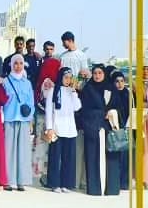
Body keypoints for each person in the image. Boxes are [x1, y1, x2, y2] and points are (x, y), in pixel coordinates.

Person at [43, 67, 81, 192]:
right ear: (61, 77)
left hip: (70, 129)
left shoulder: (71, 91)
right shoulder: (53, 90)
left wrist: (74, 92)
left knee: (68, 158)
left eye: (70, 78)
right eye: (66, 77)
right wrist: (49, 128)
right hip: (57, 128)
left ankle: (66, 184)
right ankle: (54, 184)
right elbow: (49, 110)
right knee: (55, 158)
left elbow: (77, 107)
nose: (68, 80)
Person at [1, 54, 34, 191]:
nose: (18, 66)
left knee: (23, 151)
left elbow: (31, 102)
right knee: (8, 150)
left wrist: (30, 119)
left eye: (21, 63)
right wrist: (1, 118)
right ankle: (7, 181)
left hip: (24, 120)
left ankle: (21, 181)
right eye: (15, 63)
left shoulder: (27, 83)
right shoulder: (5, 81)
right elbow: (1, 102)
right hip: (9, 118)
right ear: (11, 65)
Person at [79, 64, 110, 196]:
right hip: (90, 126)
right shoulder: (88, 88)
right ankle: (93, 188)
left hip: (105, 127)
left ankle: (105, 187)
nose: (97, 76)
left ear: (104, 74)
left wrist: (109, 113)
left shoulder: (109, 87)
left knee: (105, 158)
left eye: (100, 73)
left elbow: (115, 105)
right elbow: (82, 108)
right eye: (95, 73)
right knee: (91, 156)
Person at [105, 70, 132, 194]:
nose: (120, 84)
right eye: (117, 81)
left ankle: (124, 182)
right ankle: (115, 182)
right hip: (114, 129)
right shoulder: (111, 95)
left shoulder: (128, 94)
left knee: (126, 156)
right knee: (116, 156)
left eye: (122, 81)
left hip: (127, 128)